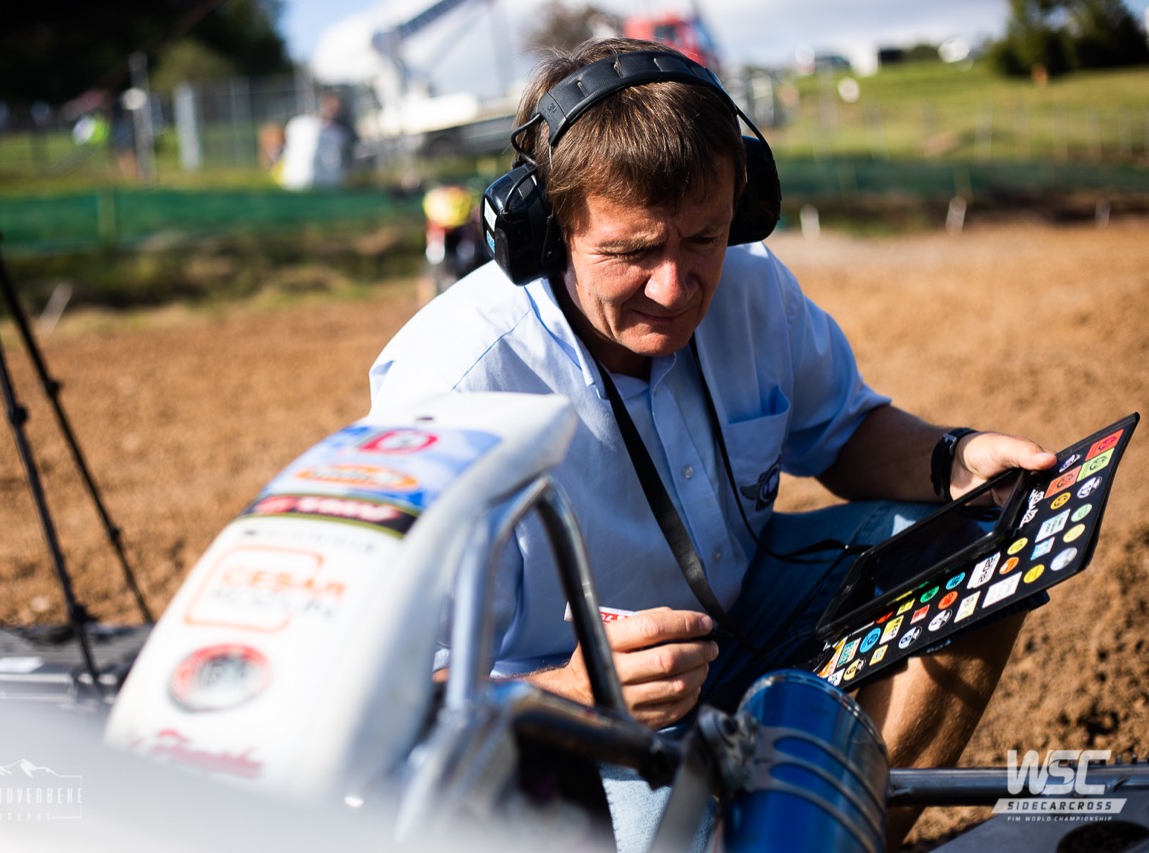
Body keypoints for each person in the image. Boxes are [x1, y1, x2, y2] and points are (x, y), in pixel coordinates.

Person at [368, 37, 1056, 851]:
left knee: (983, 548)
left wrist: (954, 458)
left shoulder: (755, 284)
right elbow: (391, 689)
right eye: (632, 251)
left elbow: (844, 431)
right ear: (547, 230)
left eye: (703, 238)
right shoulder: (451, 385)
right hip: (578, 720)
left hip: (748, 608)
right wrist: (576, 689)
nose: (674, 286)